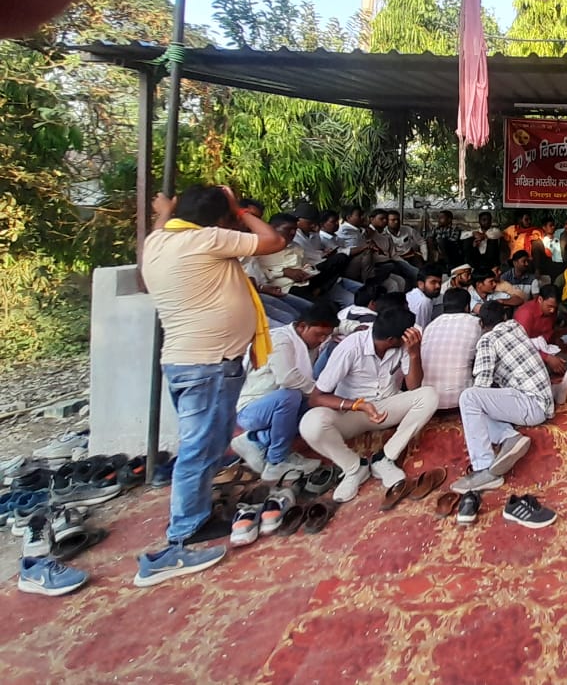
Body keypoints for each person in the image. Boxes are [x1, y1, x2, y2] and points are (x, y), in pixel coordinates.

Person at [136, 184, 285, 586]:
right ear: (219, 219)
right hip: (209, 364)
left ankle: (196, 516)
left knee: (205, 445)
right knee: (200, 449)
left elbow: (158, 235)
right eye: (228, 216)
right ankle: (183, 535)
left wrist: (164, 213)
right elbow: (274, 241)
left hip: (187, 361)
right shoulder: (206, 239)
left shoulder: (158, 241)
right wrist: (240, 210)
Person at [299, 307, 437, 503]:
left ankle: (385, 458)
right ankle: (354, 468)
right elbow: (316, 398)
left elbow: (414, 387)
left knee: (429, 396)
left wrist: (414, 354)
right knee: (310, 423)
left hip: (386, 407)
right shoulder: (350, 347)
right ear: (391, 340)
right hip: (352, 413)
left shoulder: (404, 346)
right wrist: (358, 405)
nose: (412, 336)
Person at [451, 301, 557, 493]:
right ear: (506, 317)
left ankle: (484, 469)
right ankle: (509, 437)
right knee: (478, 404)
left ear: (481, 324)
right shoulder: (516, 327)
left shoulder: (487, 340)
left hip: (530, 405)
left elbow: (481, 385)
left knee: (469, 398)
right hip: (541, 400)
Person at [232, 305, 336, 482]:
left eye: (326, 336)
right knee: (292, 396)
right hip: (251, 409)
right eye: (319, 335)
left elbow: (340, 327)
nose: (322, 340)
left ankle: (257, 439)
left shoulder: (306, 340)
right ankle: (277, 461)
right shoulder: (280, 340)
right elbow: (288, 378)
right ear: (302, 326)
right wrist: (320, 393)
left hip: (277, 405)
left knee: (316, 408)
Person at [419, 288, 481, 410]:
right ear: (467, 307)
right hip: (462, 399)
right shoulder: (477, 323)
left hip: (427, 401)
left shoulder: (431, 325)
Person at [406, 265, 444, 329]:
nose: (438, 286)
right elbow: (422, 330)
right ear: (420, 284)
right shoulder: (424, 301)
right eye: (433, 282)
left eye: (439, 282)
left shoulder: (411, 294)